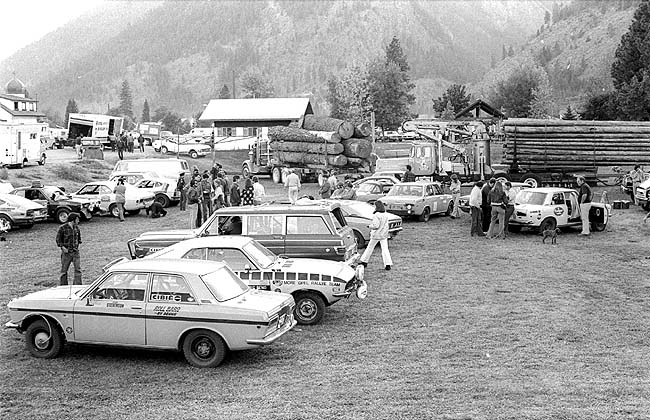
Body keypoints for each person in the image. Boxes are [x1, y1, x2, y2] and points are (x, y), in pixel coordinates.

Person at [359, 201, 393, 271]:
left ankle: (364, 261)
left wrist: (369, 226)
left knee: (370, 248)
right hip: (383, 234)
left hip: (376, 235)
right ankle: (388, 264)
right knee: (385, 249)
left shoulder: (376, 215)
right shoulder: (385, 215)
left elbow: (376, 226)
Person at [56, 212, 82, 285]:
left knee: (78, 270)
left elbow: (79, 239)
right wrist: (63, 247)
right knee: (64, 271)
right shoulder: (62, 228)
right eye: (77, 219)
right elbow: (58, 240)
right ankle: (63, 285)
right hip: (66, 253)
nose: (78, 221)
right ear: (73, 220)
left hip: (75, 252)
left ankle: (77, 285)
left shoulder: (76, 228)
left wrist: (76, 247)